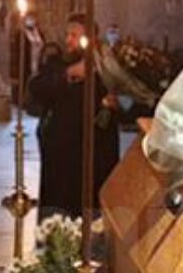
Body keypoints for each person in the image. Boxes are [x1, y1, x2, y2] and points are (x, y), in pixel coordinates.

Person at [28, 13, 120, 220]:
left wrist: (116, 103)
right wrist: (68, 73)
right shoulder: (57, 62)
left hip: (93, 152)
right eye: (67, 34)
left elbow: (125, 102)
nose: (68, 40)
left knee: (88, 207)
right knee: (59, 208)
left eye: (74, 35)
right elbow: (35, 88)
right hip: (61, 153)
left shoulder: (105, 68)